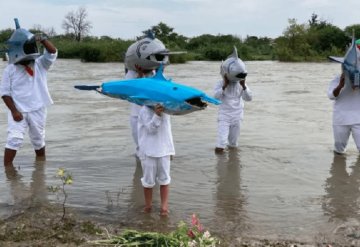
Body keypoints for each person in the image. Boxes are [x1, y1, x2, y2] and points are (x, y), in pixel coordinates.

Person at [0, 18, 57, 166]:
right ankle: (8, 172)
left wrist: (43, 39)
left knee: (38, 139)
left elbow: (52, 52)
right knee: (14, 139)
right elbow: (5, 93)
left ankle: (40, 168)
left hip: (38, 108)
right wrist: (14, 111)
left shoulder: (40, 64)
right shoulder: (10, 69)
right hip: (18, 110)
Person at [124, 30, 169, 157]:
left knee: (155, 144)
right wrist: (140, 76)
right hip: (137, 114)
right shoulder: (131, 74)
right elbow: (131, 93)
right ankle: (140, 172)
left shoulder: (158, 74)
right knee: (140, 145)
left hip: (155, 114)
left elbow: (164, 90)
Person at [137, 104, 175, 216]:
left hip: (164, 150)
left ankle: (164, 208)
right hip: (148, 150)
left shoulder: (167, 109)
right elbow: (150, 129)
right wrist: (157, 114)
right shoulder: (144, 110)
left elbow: (168, 131)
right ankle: (148, 206)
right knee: (148, 182)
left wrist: (171, 150)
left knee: (165, 179)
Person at [214, 46, 252, 153]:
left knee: (233, 145)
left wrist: (244, 86)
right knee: (220, 145)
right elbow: (215, 98)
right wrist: (224, 86)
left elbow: (249, 98)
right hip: (224, 115)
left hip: (237, 115)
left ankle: (232, 164)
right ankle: (220, 165)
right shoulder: (220, 83)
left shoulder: (241, 84)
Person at [327, 71, 360, 154]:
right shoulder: (338, 78)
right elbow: (331, 96)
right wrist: (340, 86)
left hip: (358, 118)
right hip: (340, 118)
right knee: (339, 149)